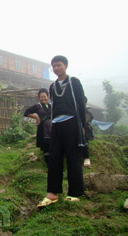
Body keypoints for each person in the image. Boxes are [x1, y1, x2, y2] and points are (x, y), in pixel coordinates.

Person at [38, 55, 86, 207]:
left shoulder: (74, 82)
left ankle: (74, 192)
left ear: (65, 65)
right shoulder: (52, 87)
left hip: (71, 123)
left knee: (73, 157)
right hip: (56, 125)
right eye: (54, 66)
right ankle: (52, 193)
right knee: (54, 158)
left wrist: (83, 126)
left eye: (59, 65)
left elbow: (81, 104)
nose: (56, 68)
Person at [24, 88, 52, 165]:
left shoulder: (51, 106)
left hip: (52, 129)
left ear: (48, 97)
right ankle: (48, 164)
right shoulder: (38, 106)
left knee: (54, 146)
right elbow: (26, 112)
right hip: (43, 129)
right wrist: (36, 117)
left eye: (44, 96)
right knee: (46, 147)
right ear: (39, 98)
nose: (43, 98)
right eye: (41, 97)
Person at [82, 97, 94, 167]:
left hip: (86, 132)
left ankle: (86, 158)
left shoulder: (87, 113)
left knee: (83, 139)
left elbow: (85, 121)